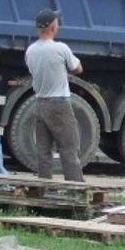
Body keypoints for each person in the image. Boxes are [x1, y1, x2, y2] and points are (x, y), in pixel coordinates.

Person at [25, 9, 85, 182]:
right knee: (68, 148)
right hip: (59, 104)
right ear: (53, 27)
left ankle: (43, 188)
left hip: (39, 103)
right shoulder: (60, 48)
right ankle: (75, 190)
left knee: (43, 152)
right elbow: (78, 68)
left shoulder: (31, 50)